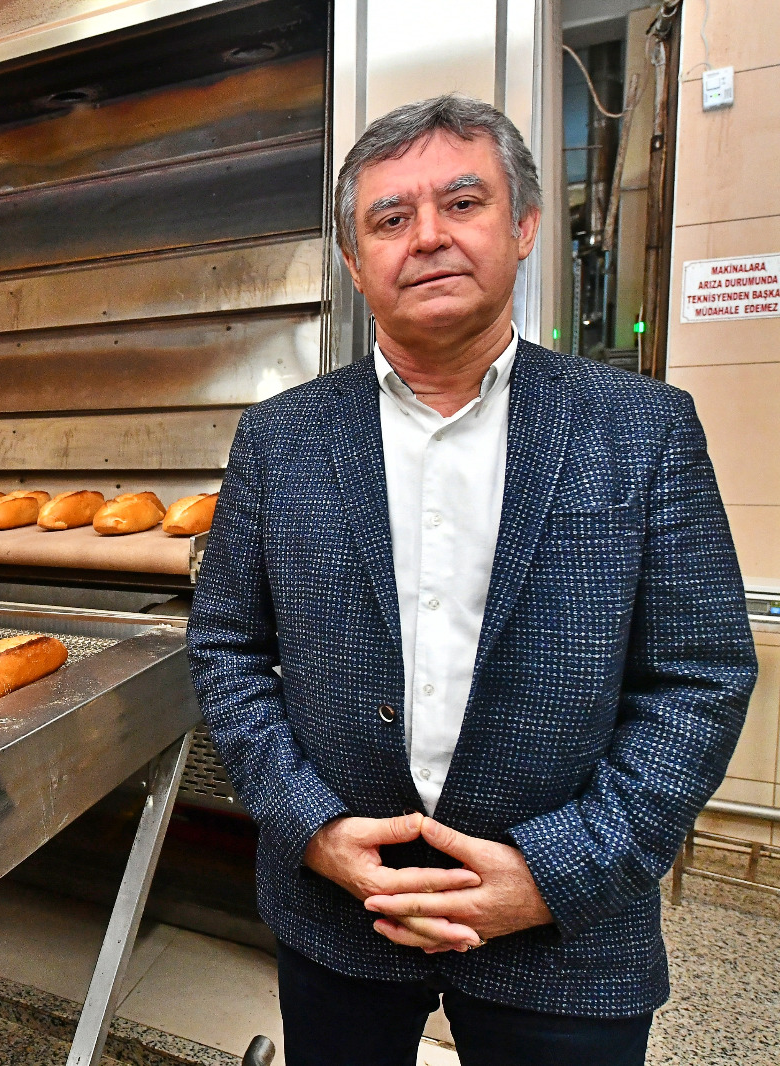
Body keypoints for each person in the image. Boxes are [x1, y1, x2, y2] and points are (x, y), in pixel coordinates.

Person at [187, 93, 756, 1065]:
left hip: (566, 939)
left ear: (524, 224)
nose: (428, 237)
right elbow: (227, 649)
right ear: (354, 259)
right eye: (390, 218)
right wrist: (312, 829)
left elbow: (699, 677)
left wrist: (553, 872)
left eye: (462, 203)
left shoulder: (642, 430)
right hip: (338, 919)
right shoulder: (280, 439)